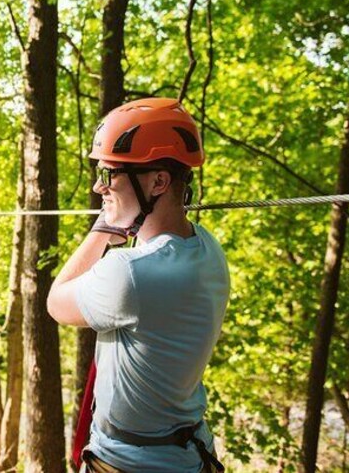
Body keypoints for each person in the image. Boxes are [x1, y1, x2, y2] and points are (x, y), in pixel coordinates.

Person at [47, 98, 230, 473]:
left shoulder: (129, 273)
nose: (100, 187)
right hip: (188, 455)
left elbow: (55, 303)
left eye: (110, 174)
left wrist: (102, 232)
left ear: (159, 181)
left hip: (128, 463)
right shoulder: (208, 249)